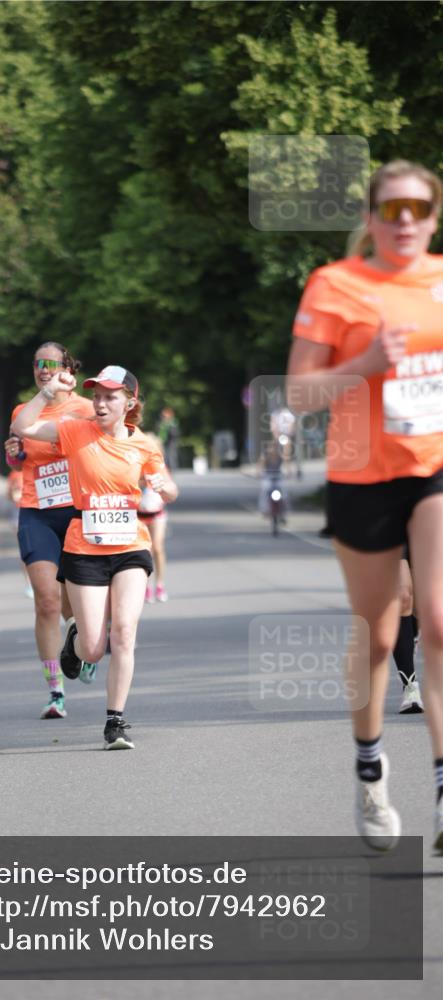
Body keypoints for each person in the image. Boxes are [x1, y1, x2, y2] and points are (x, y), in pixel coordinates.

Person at [286, 159, 443, 853]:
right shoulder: (335, 285)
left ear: (432, 217)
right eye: (391, 210)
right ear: (372, 217)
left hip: (433, 466)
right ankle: (370, 768)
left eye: (418, 209)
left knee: (438, 619)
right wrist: (360, 368)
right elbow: (297, 393)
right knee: (381, 633)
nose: (404, 222)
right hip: (359, 474)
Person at [11, 365, 178, 749]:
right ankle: (75, 643)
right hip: (84, 545)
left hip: (130, 545)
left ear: (129, 403)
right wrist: (47, 391)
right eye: (97, 396)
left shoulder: (144, 444)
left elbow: (170, 489)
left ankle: (115, 722)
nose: (100, 404)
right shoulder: (74, 431)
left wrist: (161, 485)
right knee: (92, 648)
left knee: (124, 633)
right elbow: (23, 427)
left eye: (110, 397)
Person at [5, 342, 96, 720]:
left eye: (51, 364)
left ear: (66, 368)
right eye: (38, 364)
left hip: (77, 511)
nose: (43, 369)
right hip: (37, 511)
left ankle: (84, 642)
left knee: (75, 600)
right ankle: (55, 690)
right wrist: (15, 454)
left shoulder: (86, 409)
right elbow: (14, 451)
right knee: (46, 599)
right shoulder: (25, 410)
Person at [138, 432, 172, 603]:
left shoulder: (161, 467)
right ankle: (145, 586)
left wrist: (163, 487)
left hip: (157, 513)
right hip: (138, 515)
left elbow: (170, 490)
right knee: (144, 551)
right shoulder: (135, 464)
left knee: (157, 547)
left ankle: (160, 583)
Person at [393, 553, 423, 714]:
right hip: (390, 530)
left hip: (425, 529)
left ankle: (411, 637)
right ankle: (410, 688)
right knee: (402, 595)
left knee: (423, 603)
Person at [6, 469, 34, 598]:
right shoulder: (15, 474)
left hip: (36, 512)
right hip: (19, 513)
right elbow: (9, 495)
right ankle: (29, 584)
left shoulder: (35, 468)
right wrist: (14, 492)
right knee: (26, 550)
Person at [156, 406, 180, 471]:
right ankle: (165, 468)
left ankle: (172, 469)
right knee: (164, 455)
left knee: (171, 455)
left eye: (165, 415)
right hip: (163, 441)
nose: (164, 416)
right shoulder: (161, 423)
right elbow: (158, 431)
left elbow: (175, 432)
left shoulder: (173, 422)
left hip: (171, 441)